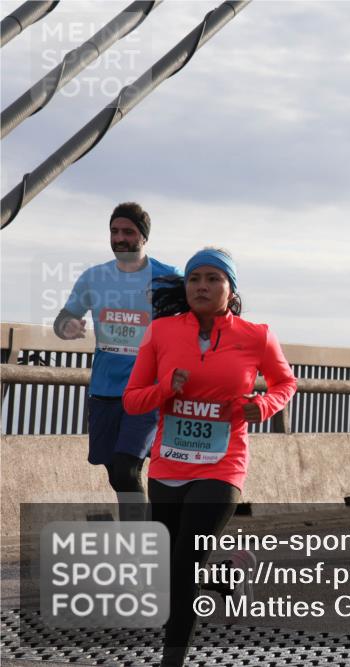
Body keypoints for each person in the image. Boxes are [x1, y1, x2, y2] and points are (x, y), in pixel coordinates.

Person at [123, 248, 297, 667]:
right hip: (169, 463)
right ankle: (225, 576)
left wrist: (264, 404)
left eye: (213, 278)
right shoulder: (161, 333)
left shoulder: (257, 336)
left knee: (184, 563)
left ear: (230, 289)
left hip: (222, 464)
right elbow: (132, 400)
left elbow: (285, 383)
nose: (202, 286)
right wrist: (165, 388)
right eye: (194, 278)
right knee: (170, 571)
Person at [53, 202, 181, 520]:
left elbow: (197, 319)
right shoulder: (94, 277)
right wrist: (68, 327)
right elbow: (63, 318)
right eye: (114, 231)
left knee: (127, 468)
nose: (120, 238)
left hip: (148, 390)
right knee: (116, 472)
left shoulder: (168, 278)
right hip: (105, 390)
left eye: (128, 232)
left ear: (144, 236)